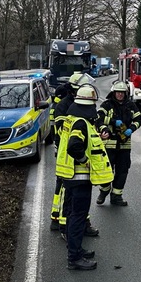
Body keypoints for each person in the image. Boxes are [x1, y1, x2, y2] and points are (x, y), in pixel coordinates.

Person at [56, 84, 113, 271]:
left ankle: (77, 250)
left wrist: (97, 138)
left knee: (74, 215)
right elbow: (74, 145)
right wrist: (84, 160)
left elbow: (78, 141)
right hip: (78, 177)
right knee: (78, 216)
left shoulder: (71, 119)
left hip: (69, 176)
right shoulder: (80, 122)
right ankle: (74, 257)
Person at [49, 72, 99, 238]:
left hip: (79, 154)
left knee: (80, 196)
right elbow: (65, 131)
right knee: (66, 191)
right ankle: (63, 225)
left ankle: (80, 223)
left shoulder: (81, 104)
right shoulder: (65, 105)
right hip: (68, 156)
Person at [96, 81, 141, 206]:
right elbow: (98, 118)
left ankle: (116, 196)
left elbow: (138, 119)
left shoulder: (131, 105)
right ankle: (104, 191)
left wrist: (131, 129)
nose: (120, 95)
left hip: (124, 145)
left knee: (122, 171)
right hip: (109, 145)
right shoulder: (106, 105)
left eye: (122, 93)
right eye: (118, 92)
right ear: (113, 92)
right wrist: (112, 122)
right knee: (106, 171)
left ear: (126, 93)